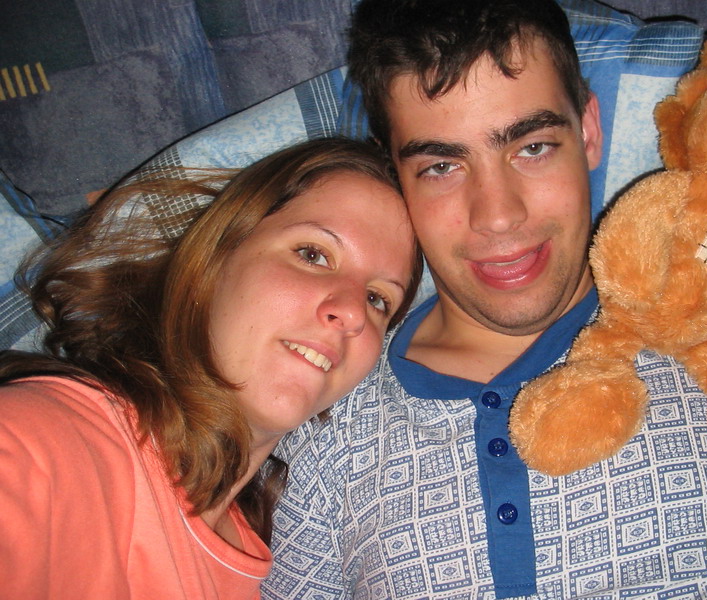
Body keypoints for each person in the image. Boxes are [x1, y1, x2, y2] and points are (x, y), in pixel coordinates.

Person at [261, 1, 707, 598]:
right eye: (441, 166)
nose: (498, 215)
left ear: (588, 131)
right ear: (395, 176)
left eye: (533, 147)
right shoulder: (331, 421)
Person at [0, 137, 422, 599]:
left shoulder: (251, 562)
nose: (354, 312)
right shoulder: (49, 445)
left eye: (378, 299)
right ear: (215, 258)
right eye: (312, 254)